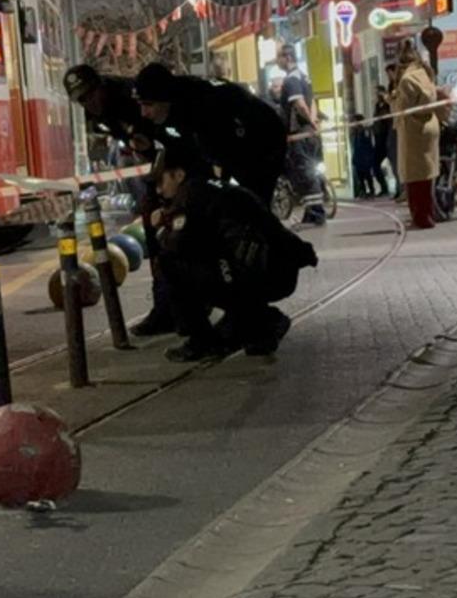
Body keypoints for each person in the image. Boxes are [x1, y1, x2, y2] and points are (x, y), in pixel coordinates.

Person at [148, 137, 318, 362]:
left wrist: (163, 226)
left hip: (260, 273)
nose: (159, 190)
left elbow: (177, 245)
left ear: (179, 175)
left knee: (170, 264)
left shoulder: (190, 196)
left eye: (161, 181)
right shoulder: (212, 188)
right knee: (208, 258)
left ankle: (206, 338)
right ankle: (255, 326)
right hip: (278, 268)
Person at [63, 64, 171, 336]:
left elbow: (163, 138)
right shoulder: (98, 112)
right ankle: (165, 309)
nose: (88, 104)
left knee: (175, 235)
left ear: (100, 86)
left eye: (89, 96)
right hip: (154, 168)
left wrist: (162, 181)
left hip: (175, 166)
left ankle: (186, 307)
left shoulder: (130, 97)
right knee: (156, 236)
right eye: (81, 100)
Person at [133, 61, 287, 207]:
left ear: (165, 99)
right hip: (234, 142)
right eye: (140, 105)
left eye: (148, 105)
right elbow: (177, 153)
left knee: (250, 204)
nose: (143, 113)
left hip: (263, 139)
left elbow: (219, 159)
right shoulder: (167, 113)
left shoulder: (201, 104)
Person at [388, 41, 451, 229]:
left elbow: (405, 108)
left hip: (413, 132)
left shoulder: (407, 80)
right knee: (426, 177)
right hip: (428, 127)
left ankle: (421, 218)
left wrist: (393, 98)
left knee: (414, 178)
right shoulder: (424, 74)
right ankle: (427, 214)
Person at [277, 46, 326, 226]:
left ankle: (316, 212)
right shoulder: (304, 77)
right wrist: (313, 123)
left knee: (304, 171)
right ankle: (311, 211)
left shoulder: (291, 79)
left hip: (299, 133)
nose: (278, 61)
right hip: (308, 133)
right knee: (307, 170)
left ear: (288, 57)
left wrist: (309, 122)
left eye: (279, 57)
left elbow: (300, 104)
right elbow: (312, 102)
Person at [372, 84, 395, 197]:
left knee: (394, 163)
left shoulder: (387, 105)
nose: (375, 95)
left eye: (377, 93)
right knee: (375, 164)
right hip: (378, 139)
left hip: (387, 136)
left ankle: (399, 188)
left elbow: (389, 117)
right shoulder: (377, 106)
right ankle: (383, 187)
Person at [350, 117, 377, 198]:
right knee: (360, 176)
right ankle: (363, 191)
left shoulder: (365, 131)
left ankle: (371, 191)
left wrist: (369, 156)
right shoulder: (354, 133)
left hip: (365, 157)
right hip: (358, 157)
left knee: (367, 175)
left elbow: (368, 144)